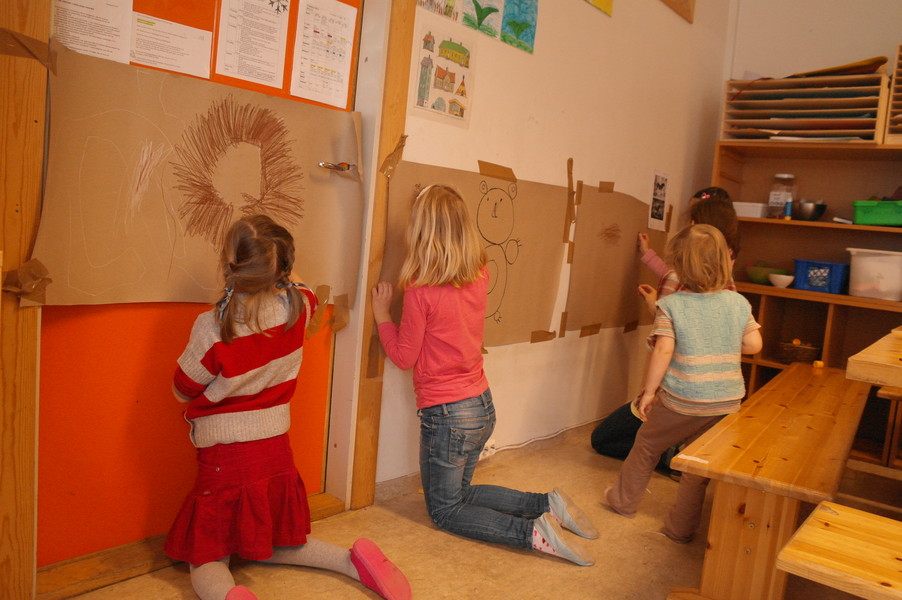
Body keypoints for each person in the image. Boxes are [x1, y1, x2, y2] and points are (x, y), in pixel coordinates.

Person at [164, 215, 411, 600]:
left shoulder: (212, 326)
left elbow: (182, 390)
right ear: (283, 266)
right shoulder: (299, 305)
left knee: (208, 556)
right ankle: (349, 560)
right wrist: (282, 268)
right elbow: (300, 283)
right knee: (279, 538)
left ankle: (228, 595)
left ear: (230, 265)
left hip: (225, 455)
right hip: (275, 448)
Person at [371, 184, 598, 567]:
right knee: (460, 494)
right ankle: (547, 504)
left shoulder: (420, 292)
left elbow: (403, 356)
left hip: (447, 416)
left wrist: (381, 314)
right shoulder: (479, 273)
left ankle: (530, 533)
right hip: (481, 405)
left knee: (445, 510)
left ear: (420, 233)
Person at [604, 224, 762, 543]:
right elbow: (753, 345)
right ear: (725, 261)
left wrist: (649, 393)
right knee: (697, 462)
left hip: (683, 398)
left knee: (647, 445)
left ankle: (623, 501)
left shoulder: (672, 305)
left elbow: (663, 350)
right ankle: (681, 527)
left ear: (678, 265)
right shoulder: (738, 303)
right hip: (726, 402)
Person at [590, 187, 740, 472]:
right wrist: (648, 257)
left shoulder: (676, 279)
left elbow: (667, 339)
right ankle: (675, 452)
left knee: (603, 439)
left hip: (674, 391)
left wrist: (654, 306)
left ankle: (668, 457)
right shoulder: (727, 282)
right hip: (713, 395)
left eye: (691, 222)